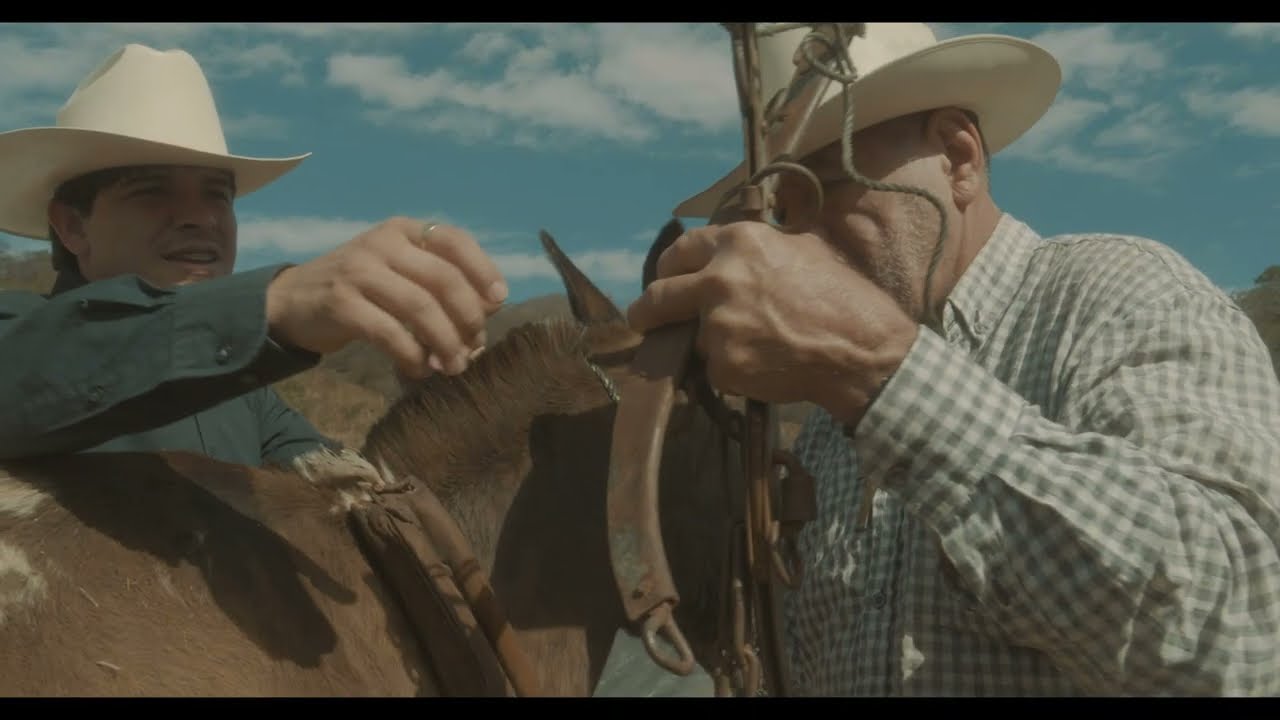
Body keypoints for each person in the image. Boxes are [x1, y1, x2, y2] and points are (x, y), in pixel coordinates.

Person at [628, 23, 1280, 696]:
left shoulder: (1122, 295)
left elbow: (1244, 646)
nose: (796, 248)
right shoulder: (825, 429)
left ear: (957, 156)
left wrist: (879, 372)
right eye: (782, 217)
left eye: (819, 190)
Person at [0, 43, 508, 466]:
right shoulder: (19, 338)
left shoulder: (249, 405)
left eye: (218, 194)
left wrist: (439, 397)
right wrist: (275, 304)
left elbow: (356, 515)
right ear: (72, 226)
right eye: (151, 190)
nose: (201, 217)